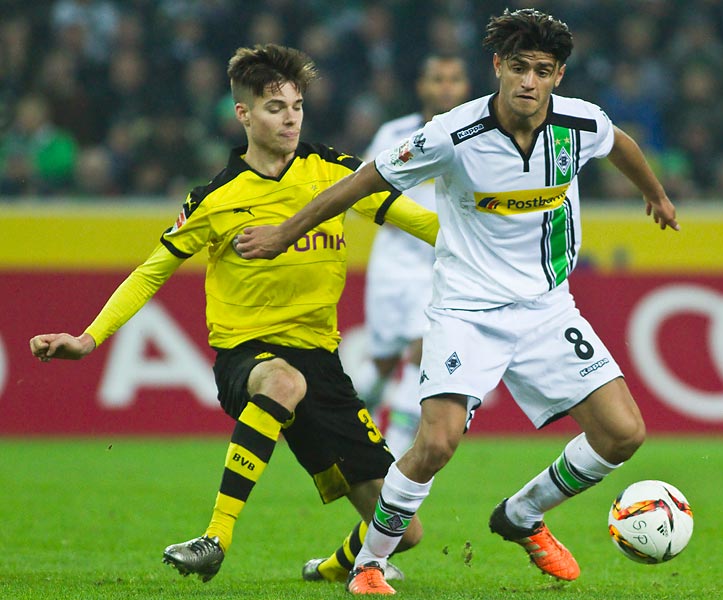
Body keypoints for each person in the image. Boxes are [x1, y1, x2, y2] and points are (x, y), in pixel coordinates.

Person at [234, 10, 679, 595]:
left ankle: (521, 514)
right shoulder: (452, 134)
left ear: (558, 76)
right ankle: (369, 565)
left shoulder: (580, 122)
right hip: (467, 311)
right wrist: (284, 232)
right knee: (436, 442)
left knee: (623, 434)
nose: (528, 81)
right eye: (517, 67)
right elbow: (364, 181)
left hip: (548, 307)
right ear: (497, 66)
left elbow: (619, 143)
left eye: (541, 71)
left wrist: (656, 195)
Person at [28, 44, 437, 585]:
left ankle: (334, 568)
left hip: (323, 363)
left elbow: (416, 219)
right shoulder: (216, 198)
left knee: (403, 530)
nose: (290, 117)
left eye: (296, 106)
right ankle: (215, 537)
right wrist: (90, 337)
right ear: (243, 114)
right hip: (249, 356)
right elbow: (151, 271)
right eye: (275, 107)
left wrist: (501, 247)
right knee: (282, 380)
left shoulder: (333, 172)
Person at [351, 54, 471, 458]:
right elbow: (362, 189)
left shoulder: (480, 135)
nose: (446, 87)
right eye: (437, 79)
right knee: (382, 365)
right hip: (393, 265)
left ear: (466, 87)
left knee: (425, 353)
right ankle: (345, 426)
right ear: (422, 86)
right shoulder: (394, 133)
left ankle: (392, 455)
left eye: (454, 79)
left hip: (444, 268)